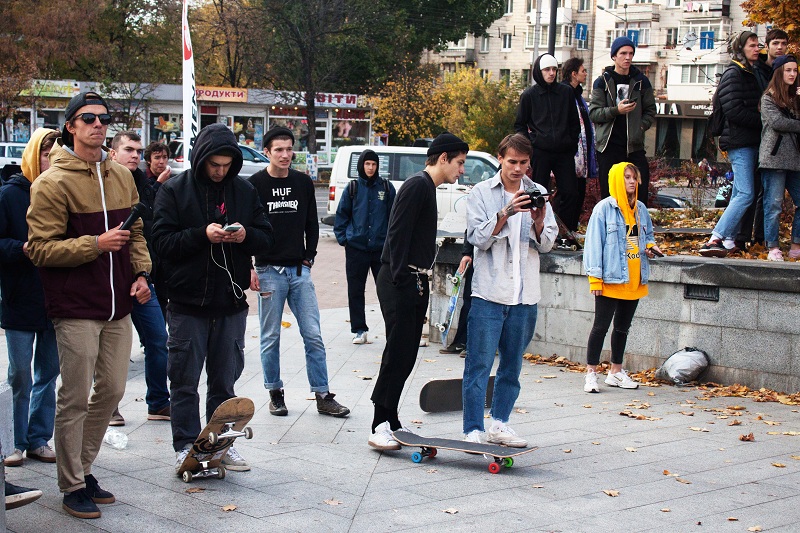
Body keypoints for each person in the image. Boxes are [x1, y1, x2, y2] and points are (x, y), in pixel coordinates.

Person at [27, 91, 151, 519]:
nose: (98, 124)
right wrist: (94, 245)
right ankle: (72, 483)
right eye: (88, 118)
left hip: (118, 303)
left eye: (104, 118)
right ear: (71, 127)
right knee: (75, 396)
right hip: (76, 304)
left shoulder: (121, 175)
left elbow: (134, 233)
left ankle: (81, 466)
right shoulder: (52, 182)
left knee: (114, 390)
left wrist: (140, 274)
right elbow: (40, 249)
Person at [152, 123, 273, 475]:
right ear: (201, 159)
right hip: (187, 302)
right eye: (213, 165)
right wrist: (201, 235)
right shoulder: (175, 190)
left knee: (224, 381)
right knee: (184, 379)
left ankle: (220, 442)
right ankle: (185, 444)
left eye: (226, 165)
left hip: (231, 302)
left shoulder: (244, 191)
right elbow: (161, 243)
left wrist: (245, 235)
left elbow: (266, 237)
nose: (220, 171)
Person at [368, 132, 468, 450]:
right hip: (400, 279)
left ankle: (391, 418)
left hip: (415, 279)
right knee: (397, 352)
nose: (462, 170)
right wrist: (400, 278)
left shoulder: (428, 188)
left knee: (408, 354)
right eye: (460, 163)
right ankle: (378, 424)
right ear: (443, 159)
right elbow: (396, 233)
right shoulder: (417, 185)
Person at [461, 133, 557, 446]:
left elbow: (546, 245)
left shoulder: (537, 192)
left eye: (524, 163)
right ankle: (473, 428)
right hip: (489, 293)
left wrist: (539, 221)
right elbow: (477, 238)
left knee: (512, 366)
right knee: (479, 365)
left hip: (525, 295)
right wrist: (506, 212)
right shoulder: (481, 192)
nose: (518, 169)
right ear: (500, 158)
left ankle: (500, 423)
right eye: (512, 161)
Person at [248, 126, 350, 418]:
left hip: (299, 271)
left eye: (289, 149)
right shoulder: (254, 185)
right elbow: (248, 229)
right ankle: (275, 393)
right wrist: (250, 266)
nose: (285, 154)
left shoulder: (302, 182)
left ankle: (322, 395)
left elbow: (311, 225)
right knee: (270, 337)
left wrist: (309, 258)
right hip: (268, 270)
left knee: (313, 334)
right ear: (266, 152)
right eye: (278, 149)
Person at [0, 128, 60, 468]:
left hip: (54, 300)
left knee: (49, 372)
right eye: (44, 154)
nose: (49, 162)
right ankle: (14, 440)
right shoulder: (10, 194)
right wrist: (21, 248)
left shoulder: (59, 192)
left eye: (55, 155)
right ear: (32, 154)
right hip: (19, 297)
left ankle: (39, 437)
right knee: (20, 374)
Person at [582, 163, 662, 393]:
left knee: (622, 328)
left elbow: (647, 237)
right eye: (626, 177)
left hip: (634, 278)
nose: (631, 181)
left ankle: (616, 371)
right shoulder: (604, 209)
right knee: (600, 327)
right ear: (617, 179)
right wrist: (595, 279)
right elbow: (593, 245)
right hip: (611, 278)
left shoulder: (641, 209)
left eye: (634, 177)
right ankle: (591, 373)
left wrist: (650, 247)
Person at [108, 131, 170, 423]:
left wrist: (144, 275)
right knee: (111, 350)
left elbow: (144, 235)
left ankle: (158, 402)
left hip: (142, 279)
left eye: (138, 150)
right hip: (107, 281)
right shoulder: (102, 184)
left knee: (158, 339)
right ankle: (108, 405)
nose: (134, 155)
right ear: (113, 154)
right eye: (128, 150)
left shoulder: (145, 185)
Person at [699, 32, 764, 257]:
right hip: (739, 142)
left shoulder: (750, 72)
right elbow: (733, 110)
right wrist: (762, 121)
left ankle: (726, 241)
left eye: (758, 45)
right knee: (746, 193)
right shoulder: (734, 73)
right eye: (752, 45)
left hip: (748, 141)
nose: (757, 49)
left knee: (739, 193)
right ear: (740, 49)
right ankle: (715, 237)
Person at [334, 149, 396, 344]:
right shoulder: (352, 188)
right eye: (367, 164)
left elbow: (394, 217)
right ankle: (359, 329)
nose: (370, 168)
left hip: (380, 250)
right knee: (355, 290)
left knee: (387, 291)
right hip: (356, 249)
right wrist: (344, 239)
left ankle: (393, 330)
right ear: (361, 165)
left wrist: (390, 242)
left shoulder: (386, 188)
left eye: (374, 164)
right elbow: (341, 216)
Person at [514, 53, 581, 231]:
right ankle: (536, 229)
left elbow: (575, 123)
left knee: (570, 192)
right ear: (539, 71)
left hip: (563, 152)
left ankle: (566, 231)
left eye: (554, 69)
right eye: (547, 69)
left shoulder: (566, 92)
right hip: (540, 152)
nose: (551, 73)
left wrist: (571, 144)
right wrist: (530, 148)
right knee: (537, 194)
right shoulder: (529, 95)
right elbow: (519, 125)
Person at [589, 36, 656, 205]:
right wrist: (615, 111)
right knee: (610, 195)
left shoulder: (641, 81)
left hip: (634, 146)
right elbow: (594, 113)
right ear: (614, 56)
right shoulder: (602, 81)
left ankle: (636, 228)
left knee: (640, 192)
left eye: (631, 53)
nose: (627, 57)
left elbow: (650, 110)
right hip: (608, 146)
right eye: (623, 53)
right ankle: (611, 229)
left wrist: (641, 126)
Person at [759, 54, 800, 261]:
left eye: (795, 70)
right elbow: (777, 123)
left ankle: (796, 244)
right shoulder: (769, 98)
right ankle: (773, 247)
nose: (792, 74)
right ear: (779, 72)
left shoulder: (796, 98)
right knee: (773, 204)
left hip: (795, 160)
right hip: (774, 158)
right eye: (788, 70)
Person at [561, 56, 598, 223]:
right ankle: (563, 230)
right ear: (574, 74)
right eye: (583, 71)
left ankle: (572, 229)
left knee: (580, 193)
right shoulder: (563, 92)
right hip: (570, 154)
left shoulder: (579, 96)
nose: (586, 74)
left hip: (583, 157)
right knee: (569, 194)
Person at [143, 141, 172, 319]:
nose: (161, 162)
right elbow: (146, 207)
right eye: (157, 158)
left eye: (164, 157)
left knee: (163, 293)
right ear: (148, 160)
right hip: (147, 244)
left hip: (163, 247)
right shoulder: (145, 181)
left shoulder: (172, 180)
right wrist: (159, 184)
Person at [439, 233, 473, 356]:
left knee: (481, 305)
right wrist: (467, 253)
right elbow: (471, 226)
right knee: (468, 301)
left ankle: (472, 344)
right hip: (477, 255)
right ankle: (462, 341)